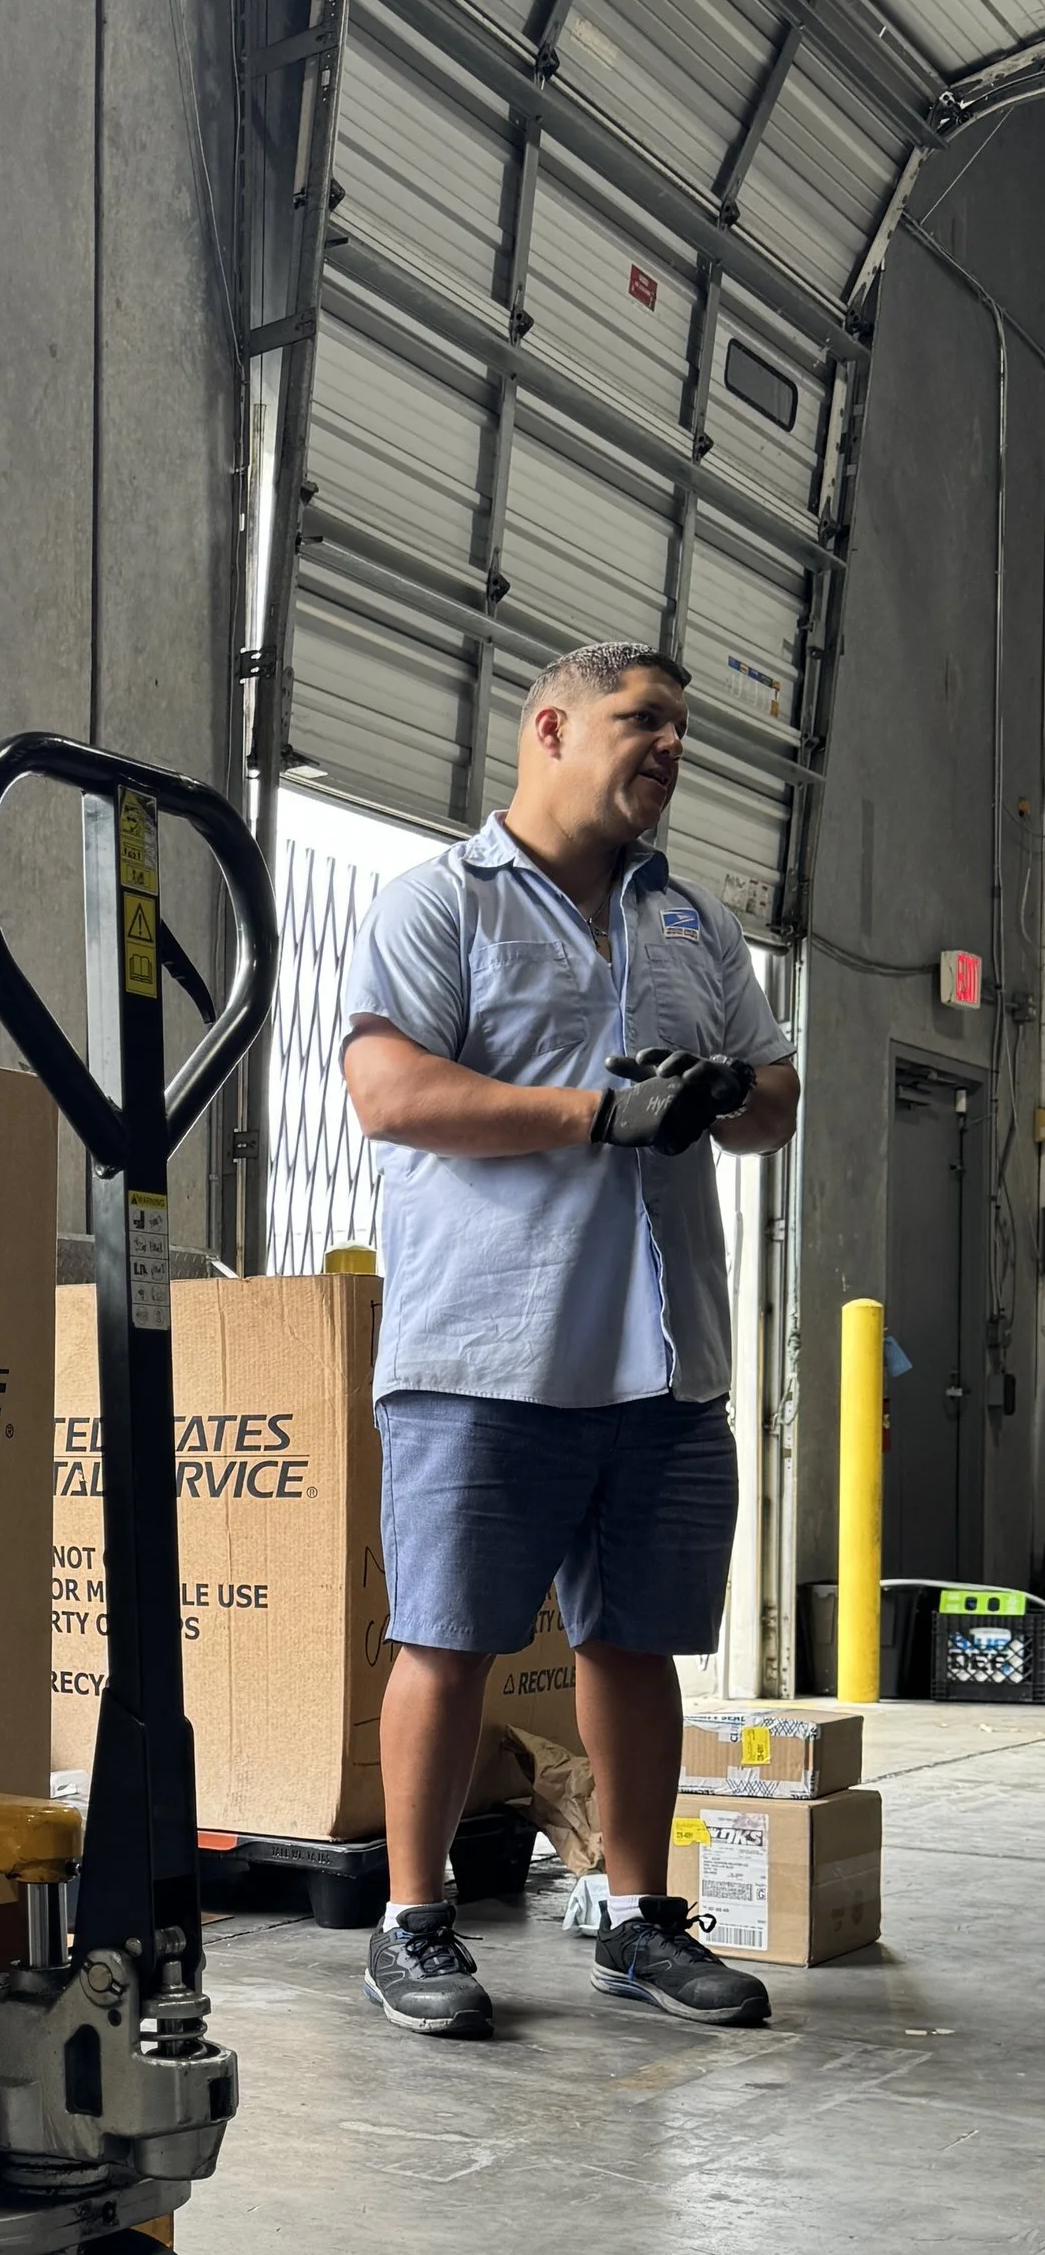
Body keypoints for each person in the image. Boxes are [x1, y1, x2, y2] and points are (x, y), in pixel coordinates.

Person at [338, 640, 801, 2038]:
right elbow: (386, 1088)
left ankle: (636, 1920)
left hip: (664, 1364)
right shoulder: (439, 903)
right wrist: (595, 1112)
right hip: (486, 1356)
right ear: (551, 725)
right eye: (641, 719)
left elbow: (775, 1096)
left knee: (638, 1648)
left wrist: (726, 1090)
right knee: (447, 1642)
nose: (667, 745)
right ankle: (413, 1922)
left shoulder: (693, 927)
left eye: (680, 729)